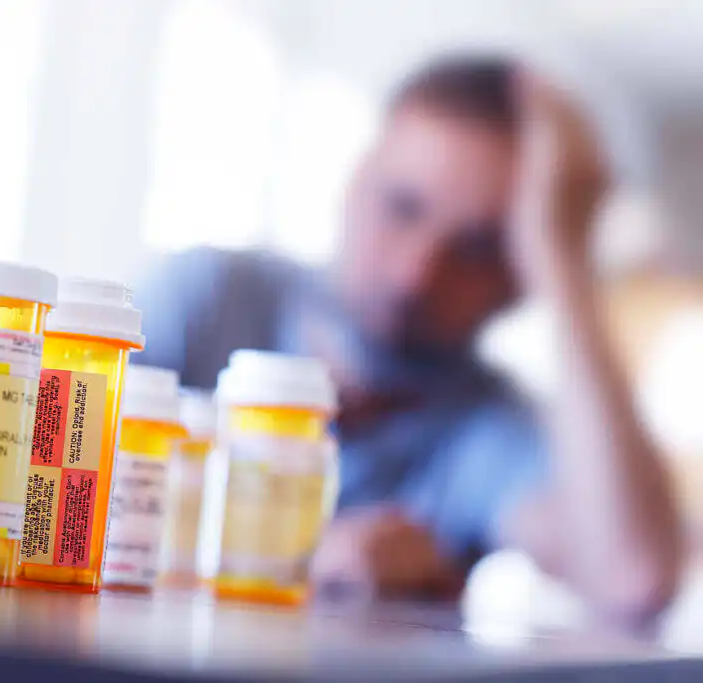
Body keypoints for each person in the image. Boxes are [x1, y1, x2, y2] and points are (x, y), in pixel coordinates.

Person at [134, 55, 682, 618]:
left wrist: (565, 263)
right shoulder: (210, 297)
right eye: (403, 206)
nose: (416, 273)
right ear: (353, 182)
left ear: (520, 282)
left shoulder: (485, 428)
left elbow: (633, 579)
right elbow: (49, 487)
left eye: (476, 248)